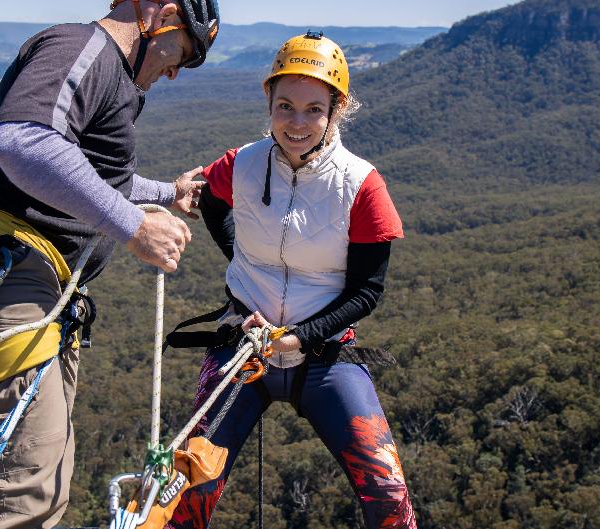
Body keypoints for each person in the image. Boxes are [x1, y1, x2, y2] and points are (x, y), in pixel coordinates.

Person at [0, 1, 219, 528]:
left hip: (20, 281)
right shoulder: (83, 48)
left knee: (44, 481)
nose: (174, 70)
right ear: (160, 13)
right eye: (183, 53)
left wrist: (167, 194)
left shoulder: (109, 72)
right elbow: (22, 139)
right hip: (3, 276)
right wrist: (134, 226)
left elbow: (98, 180)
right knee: (25, 494)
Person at [165, 32, 418, 529]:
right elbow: (212, 202)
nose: (296, 123)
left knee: (389, 496)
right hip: (245, 344)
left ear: (335, 111)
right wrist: (240, 259)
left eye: (313, 109)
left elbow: (368, 291)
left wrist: (301, 336)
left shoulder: (362, 186)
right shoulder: (241, 164)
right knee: (184, 490)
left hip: (324, 355)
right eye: (285, 106)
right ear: (269, 102)